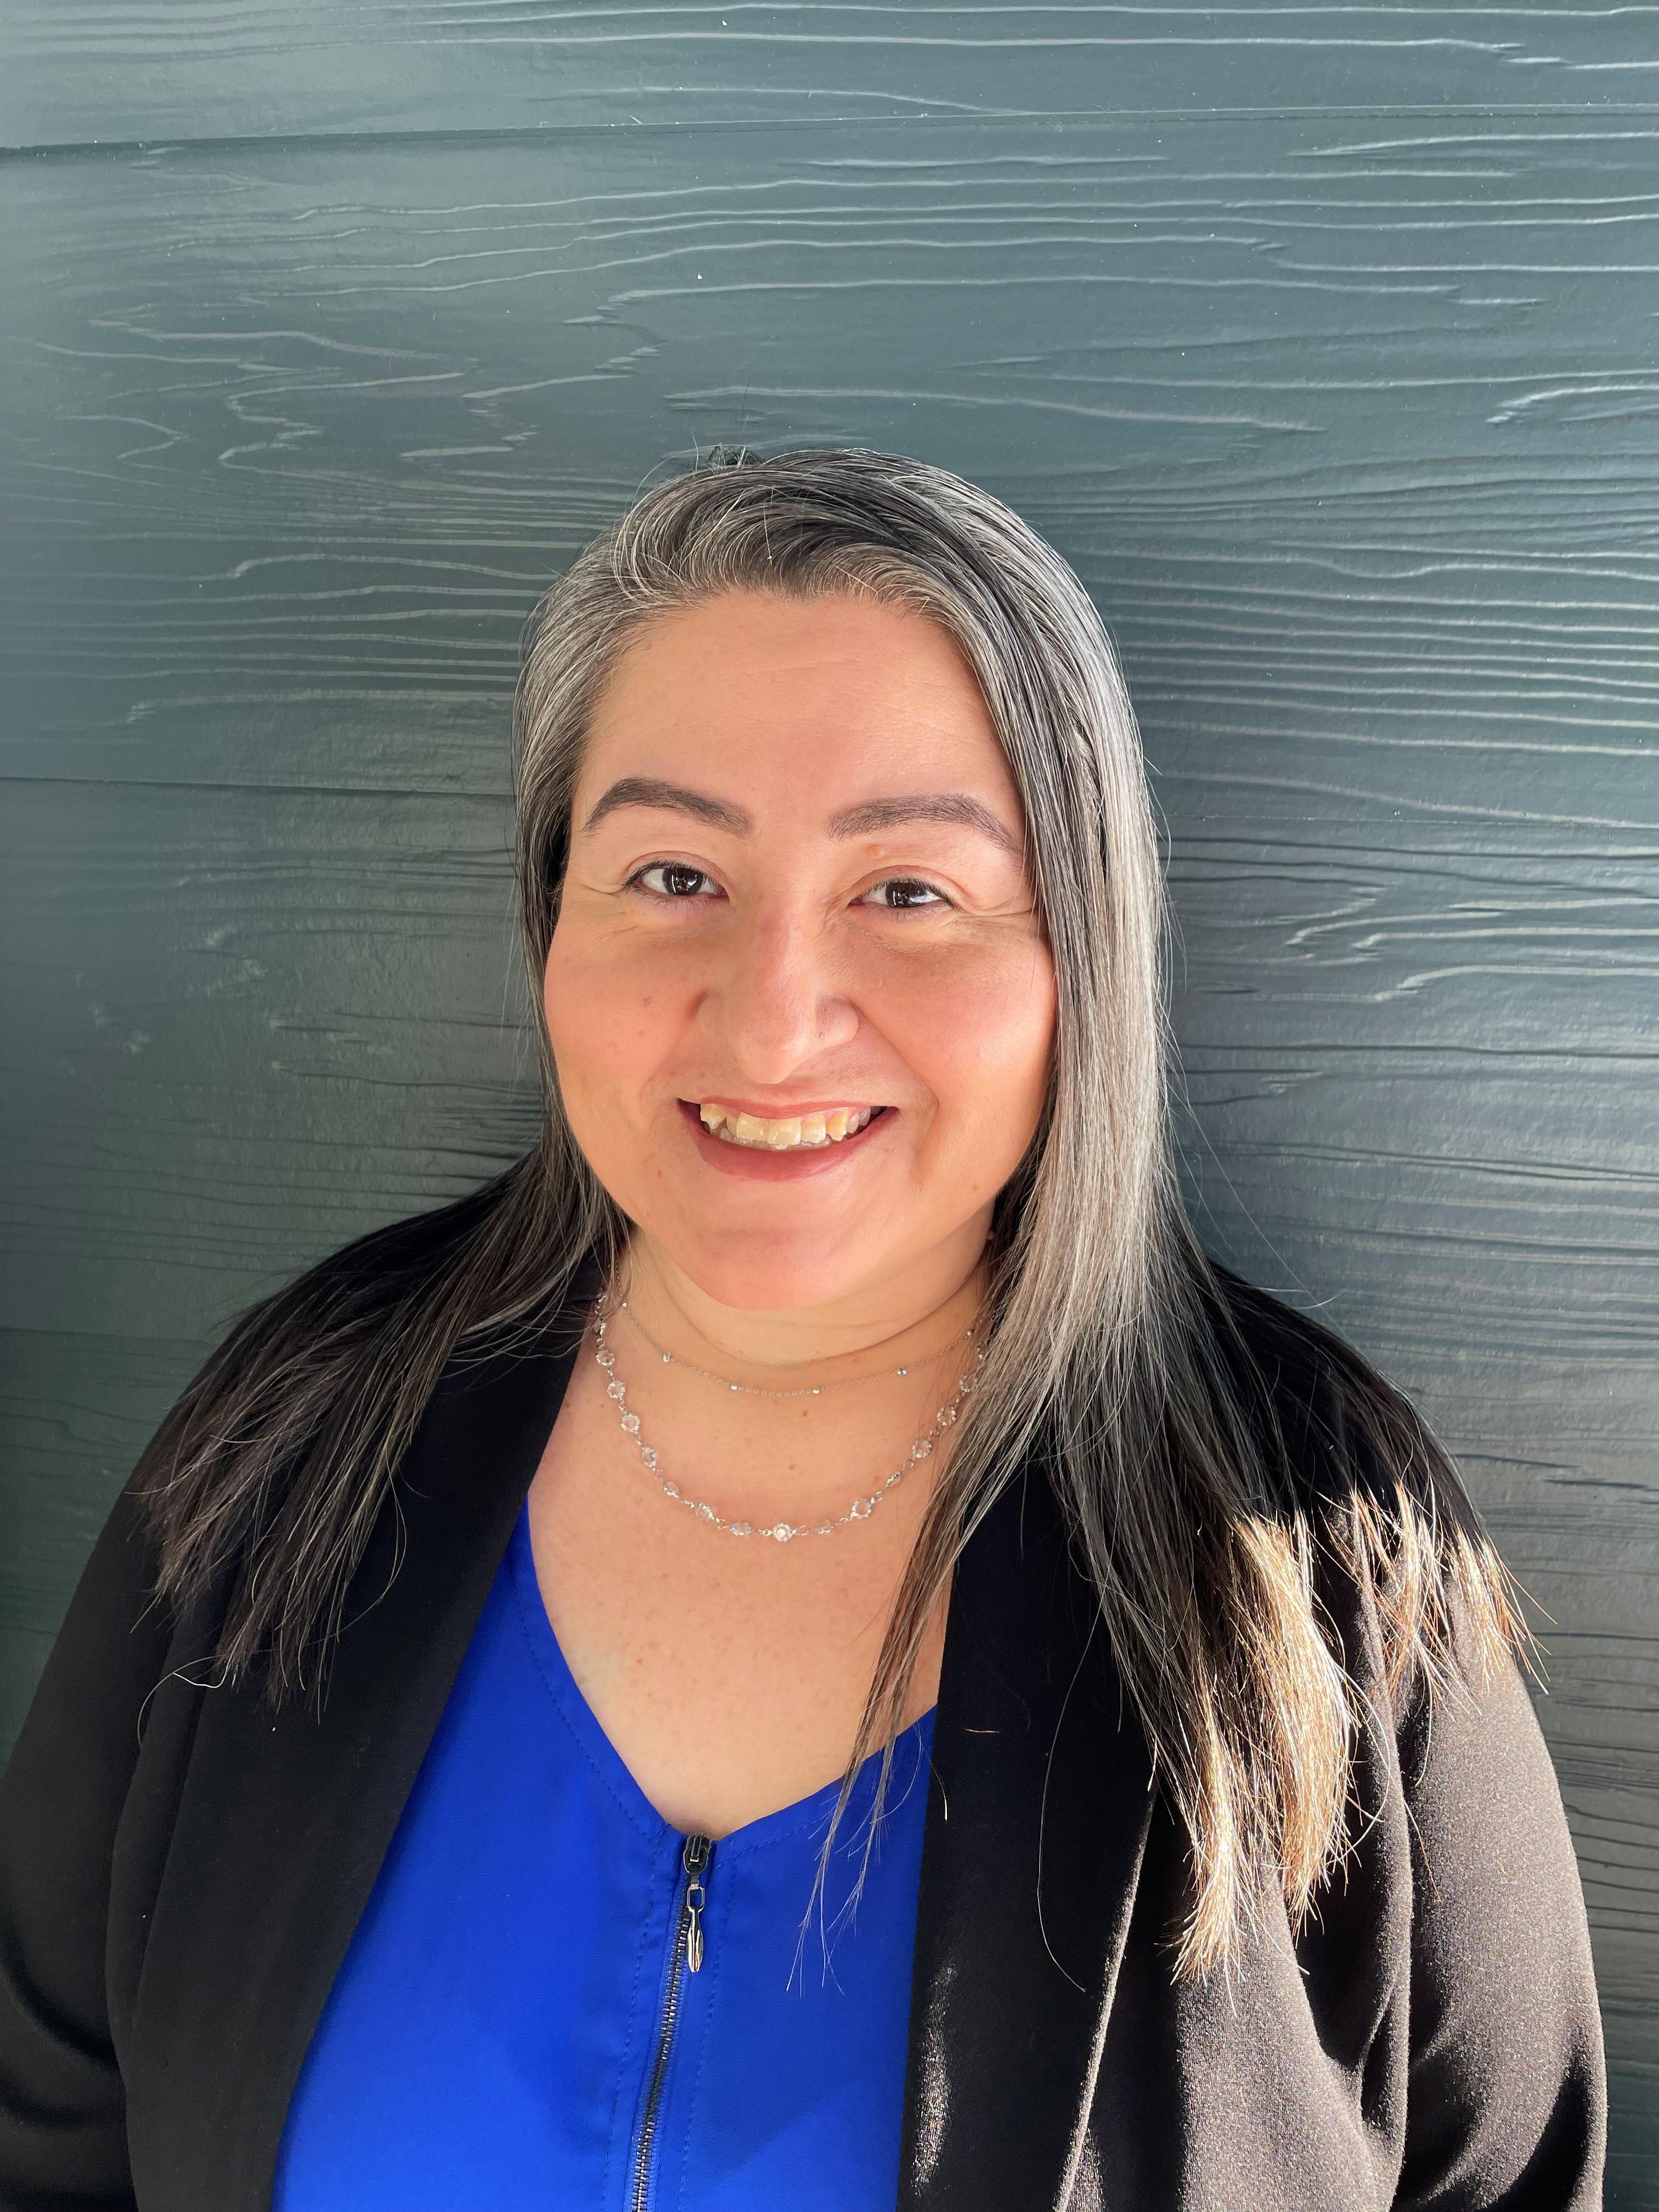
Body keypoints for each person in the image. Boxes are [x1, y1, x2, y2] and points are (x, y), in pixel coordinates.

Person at [0, 448, 1605, 2211]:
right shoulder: (292, 1441)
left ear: (1081, 958)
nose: (771, 1028)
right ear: (553, 922)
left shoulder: (1318, 1559)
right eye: (674, 875)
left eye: (908, 889)